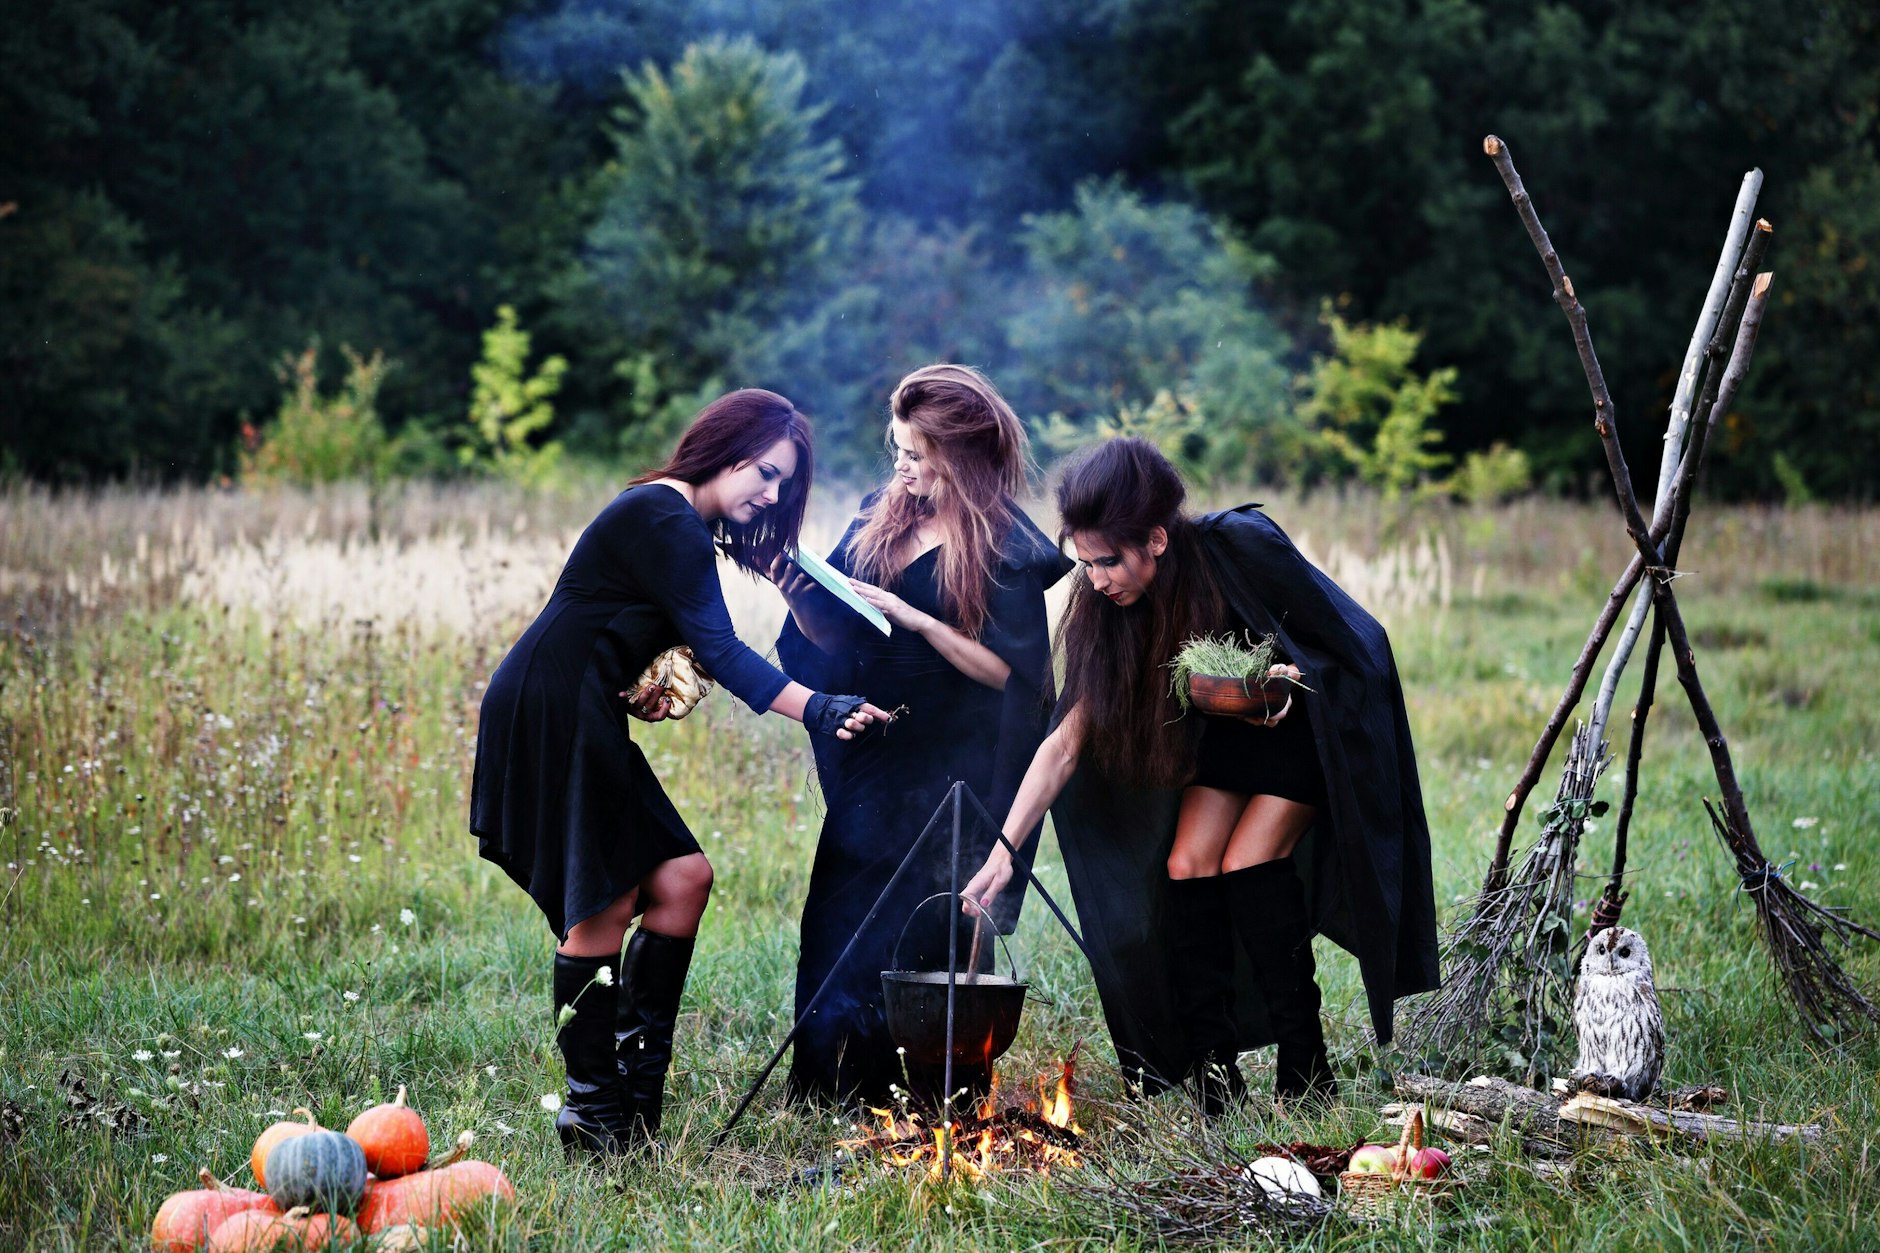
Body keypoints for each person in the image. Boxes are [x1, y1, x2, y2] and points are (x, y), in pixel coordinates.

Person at [470, 389, 892, 1156]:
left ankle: (637, 1106)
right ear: (725, 446)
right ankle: (595, 1121)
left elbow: (658, 638)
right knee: (605, 898)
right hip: (551, 708)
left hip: (584, 709)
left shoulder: (681, 525)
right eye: (763, 474)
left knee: (683, 879)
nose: (768, 495)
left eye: (780, 486)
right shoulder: (664, 514)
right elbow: (726, 651)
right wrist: (822, 707)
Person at [963, 438, 1438, 1112]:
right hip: (1223, 748)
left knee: (1247, 861)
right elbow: (1064, 743)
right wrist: (1005, 849)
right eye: (1086, 562)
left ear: (1155, 537)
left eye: (1108, 560)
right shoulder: (1105, 610)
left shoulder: (1238, 546)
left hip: (1295, 736)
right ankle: (1215, 1072)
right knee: (1185, 865)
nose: (1096, 578)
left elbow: (1351, 637)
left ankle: (1306, 1065)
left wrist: (1287, 680)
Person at [773, 364, 1072, 1108]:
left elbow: (1016, 679)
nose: (900, 468)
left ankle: (925, 1090)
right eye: (897, 450)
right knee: (841, 913)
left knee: (924, 920)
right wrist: (797, 590)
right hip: (875, 753)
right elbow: (833, 636)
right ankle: (831, 1084)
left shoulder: (1003, 544)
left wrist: (922, 621)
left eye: (914, 454)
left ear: (958, 455)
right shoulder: (885, 512)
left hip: (954, 759)